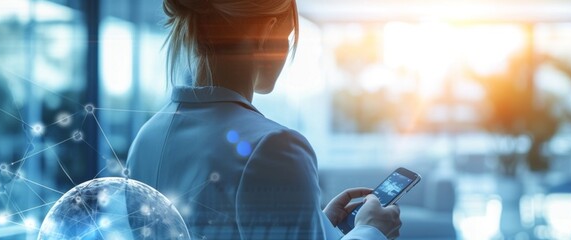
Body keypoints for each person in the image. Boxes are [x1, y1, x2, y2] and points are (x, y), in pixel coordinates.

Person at [126, 0, 401, 239]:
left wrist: (315, 225)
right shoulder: (274, 147)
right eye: (289, 37)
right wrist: (371, 230)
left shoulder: (147, 138)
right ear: (267, 32)